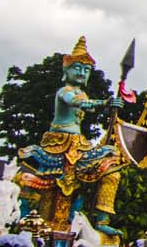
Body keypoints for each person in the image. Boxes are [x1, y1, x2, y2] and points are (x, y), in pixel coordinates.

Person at [16, 37, 123, 231]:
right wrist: (104, 103)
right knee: (50, 190)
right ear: (66, 70)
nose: (82, 73)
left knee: (111, 166)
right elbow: (78, 103)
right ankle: (29, 222)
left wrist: (110, 106)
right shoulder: (64, 92)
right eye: (77, 68)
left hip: (78, 146)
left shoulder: (82, 93)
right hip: (57, 146)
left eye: (86, 70)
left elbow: (87, 106)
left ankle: (102, 220)